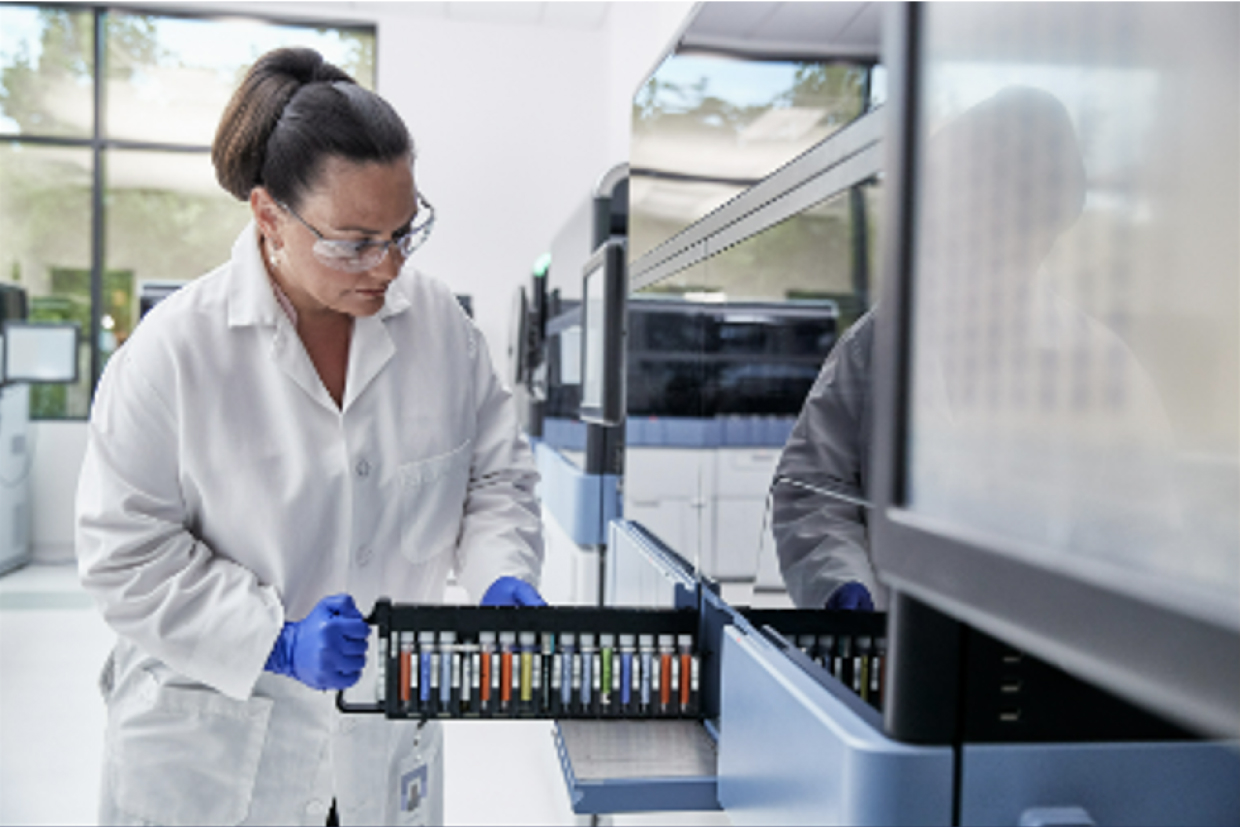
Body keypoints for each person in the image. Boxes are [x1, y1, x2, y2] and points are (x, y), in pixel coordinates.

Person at [75, 47, 545, 826]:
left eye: (404, 231)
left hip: (379, 741)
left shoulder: (441, 331)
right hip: (214, 750)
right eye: (354, 241)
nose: (387, 265)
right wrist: (273, 639)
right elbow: (124, 553)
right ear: (269, 217)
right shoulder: (175, 352)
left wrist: (501, 573)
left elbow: (493, 479)